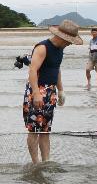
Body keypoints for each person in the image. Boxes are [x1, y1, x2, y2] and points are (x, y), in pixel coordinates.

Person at [23, 18, 84, 163]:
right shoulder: (42, 47)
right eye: (69, 40)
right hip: (37, 91)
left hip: (51, 92)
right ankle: (35, 163)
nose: (70, 43)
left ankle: (46, 161)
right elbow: (32, 70)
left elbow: (56, 70)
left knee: (45, 130)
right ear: (62, 37)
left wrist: (61, 90)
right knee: (34, 130)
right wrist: (36, 93)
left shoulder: (60, 50)